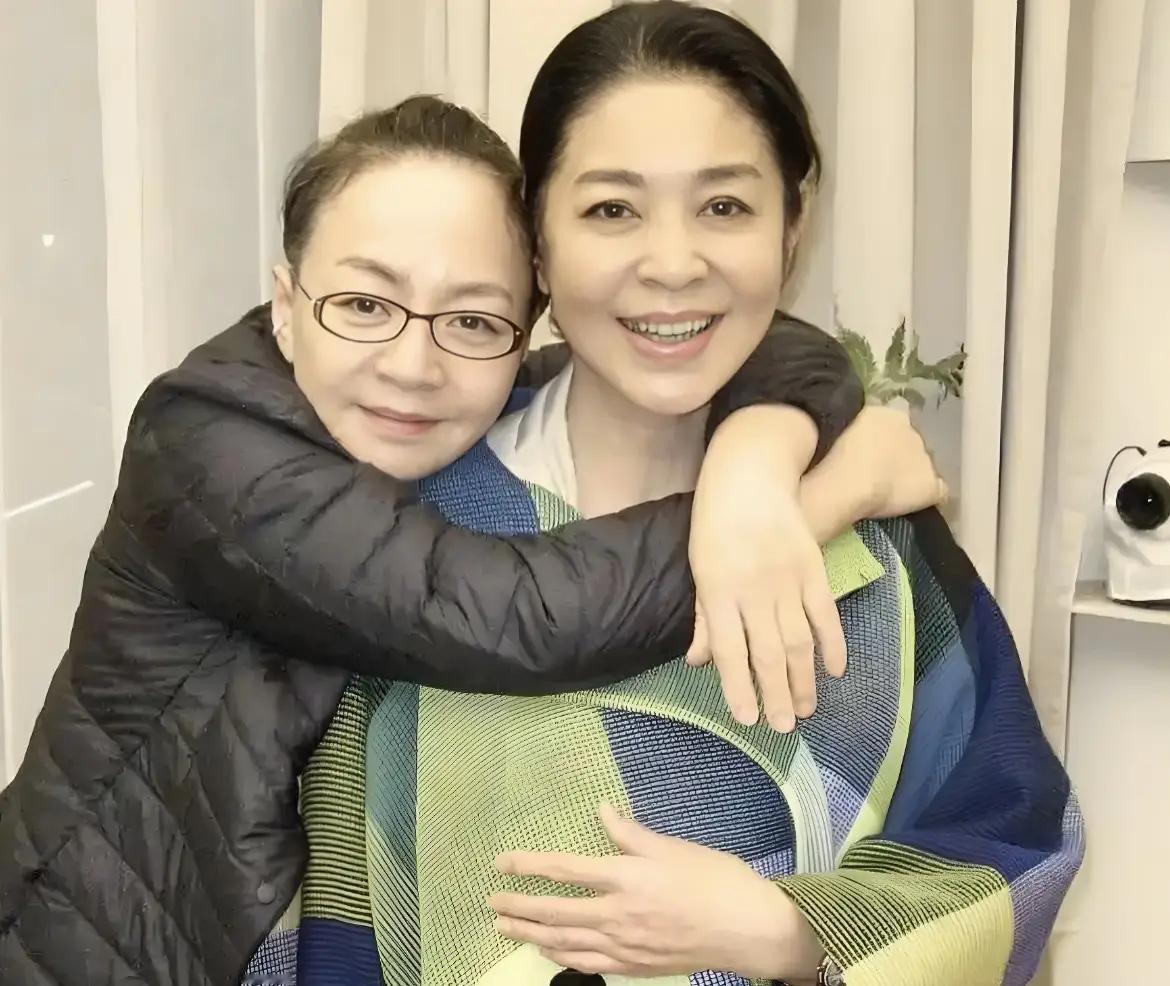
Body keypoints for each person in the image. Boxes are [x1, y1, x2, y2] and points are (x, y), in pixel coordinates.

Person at [0, 97, 944, 986]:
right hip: (95, 940)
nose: (414, 366)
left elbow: (753, 348)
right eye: (364, 305)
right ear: (285, 303)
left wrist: (760, 447)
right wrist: (816, 500)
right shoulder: (210, 443)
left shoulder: (458, 395)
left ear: (526, 328)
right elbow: (514, 616)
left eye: (472, 318)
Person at [311, 6, 1083, 986]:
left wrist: (786, 928)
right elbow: (331, 886)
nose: (672, 264)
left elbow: (1012, 838)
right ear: (537, 243)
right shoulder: (408, 521)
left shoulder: (875, 537)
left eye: (724, 206)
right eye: (612, 210)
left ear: (792, 229)